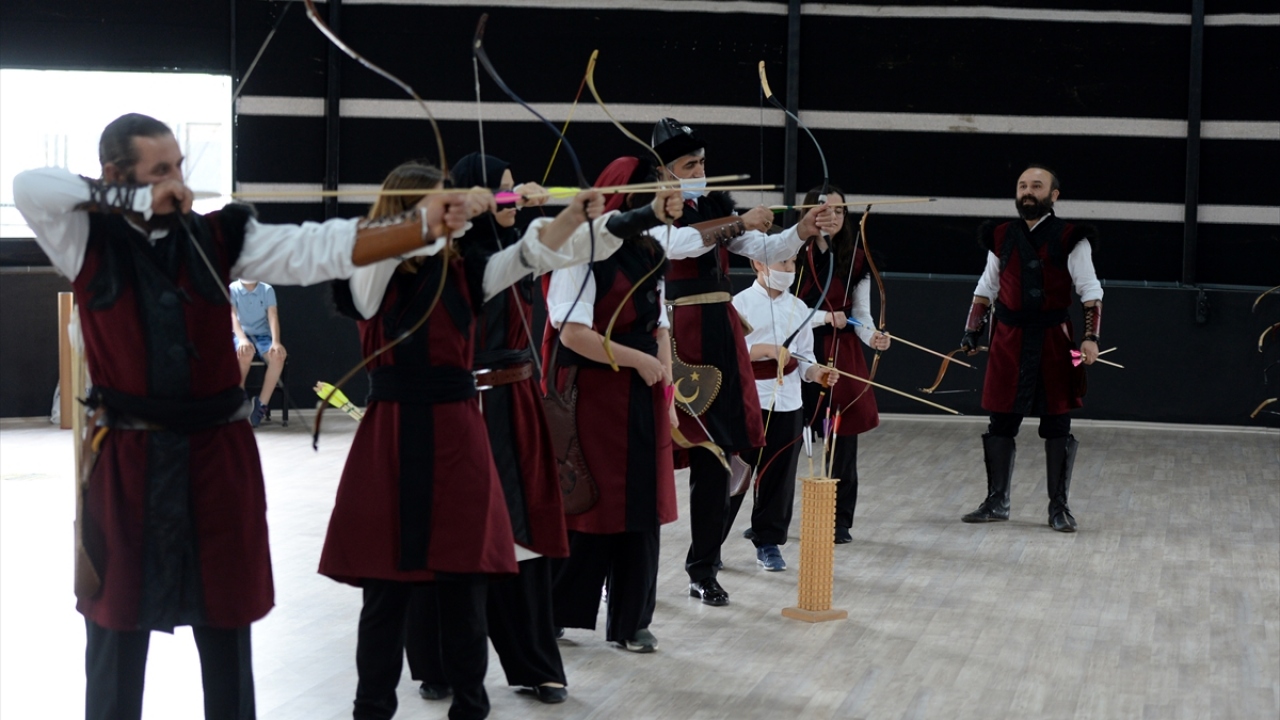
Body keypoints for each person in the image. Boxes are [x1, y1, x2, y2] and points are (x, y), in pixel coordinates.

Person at [12, 112, 486, 720]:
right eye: (160, 170)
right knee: (115, 630)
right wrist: (132, 197)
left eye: (179, 166)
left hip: (217, 459)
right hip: (127, 463)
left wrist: (418, 224)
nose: (178, 182)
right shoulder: (84, 239)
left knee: (226, 625)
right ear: (115, 174)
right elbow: (29, 183)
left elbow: (318, 247)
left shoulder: (217, 237)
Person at [318, 160, 619, 720]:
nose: (453, 210)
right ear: (409, 210)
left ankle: (472, 707)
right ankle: (372, 708)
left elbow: (530, 255)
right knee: (385, 589)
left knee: (464, 583)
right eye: (439, 202)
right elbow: (383, 258)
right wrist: (438, 216)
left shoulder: (467, 271)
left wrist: (572, 214)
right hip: (393, 434)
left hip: (457, 431)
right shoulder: (370, 266)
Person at [403, 152, 644, 705]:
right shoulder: (448, 253)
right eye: (503, 190)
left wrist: (642, 214)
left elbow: (587, 243)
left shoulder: (527, 248)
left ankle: (535, 662)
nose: (514, 196)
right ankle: (436, 661)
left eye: (516, 187)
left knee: (524, 536)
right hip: (458, 406)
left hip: (514, 404)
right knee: (449, 533)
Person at [646, 117, 834, 606]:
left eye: (703, 163)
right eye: (689, 164)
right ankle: (615, 567)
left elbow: (763, 247)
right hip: (675, 336)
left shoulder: (710, 205)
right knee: (648, 457)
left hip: (720, 336)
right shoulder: (647, 209)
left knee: (723, 453)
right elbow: (678, 243)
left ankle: (703, 567)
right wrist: (736, 223)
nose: (700, 171)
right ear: (664, 171)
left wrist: (801, 230)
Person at [544, 155, 683, 653]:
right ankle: (557, 611)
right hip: (595, 392)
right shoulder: (580, 250)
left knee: (642, 506)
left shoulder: (650, 248)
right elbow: (573, 332)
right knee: (592, 505)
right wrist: (637, 363)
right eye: (656, 186)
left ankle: (632, 620)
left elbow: (659, 324)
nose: (666, 195)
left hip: (641, 389)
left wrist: (666, 385)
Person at [959, 165, 1102, 533]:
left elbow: (1090, 291)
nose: (1027, 191)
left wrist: (1090, 338)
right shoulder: (1001, 235)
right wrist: (972, 331)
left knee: (1057, 423)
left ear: (1054, 195)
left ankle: (1059, 507)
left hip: (1055, 339)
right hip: (1008, 339)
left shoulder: (1072, 237)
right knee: (1001, 421)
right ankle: (996, 501)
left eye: (1036, 186)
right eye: (1022, 185)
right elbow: (986, 287)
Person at [726, 252, 840, 571]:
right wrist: (761, 351)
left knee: (779, 478)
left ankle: (768, 542)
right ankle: (711, 544)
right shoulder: (740, 303)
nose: (790, 269)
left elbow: (804, 357)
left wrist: (817, 373)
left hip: (788, 403)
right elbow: (727, 351)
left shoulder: (798, 307)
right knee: (734, 475)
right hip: (748, 401)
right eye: (782, 263)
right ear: (758, 265)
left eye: (792, 263)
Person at [794, 186, 891, 544]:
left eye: (838, 211)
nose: (831, 217)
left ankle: (839, 522)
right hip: (799, 352)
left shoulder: (858, 259)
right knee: (785, 440)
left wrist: (874, 337)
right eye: (822, 210)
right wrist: (823, 318)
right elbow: (783, 310)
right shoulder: (791, 252)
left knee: (842, 444)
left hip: (842, 352)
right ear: (808, 213)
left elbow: (861, 317)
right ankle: (770, 522)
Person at [229, 278, 285, 426]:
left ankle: (261, 405)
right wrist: (242, 339)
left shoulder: (267, 289)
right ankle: (239, 401)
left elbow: (273, 316)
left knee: (278, 357)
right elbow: (233, 316)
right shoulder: (232, 289)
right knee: (244, 353)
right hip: (241, 335)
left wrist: (276, 341)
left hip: (263, 336)